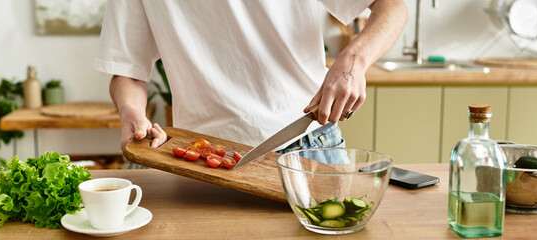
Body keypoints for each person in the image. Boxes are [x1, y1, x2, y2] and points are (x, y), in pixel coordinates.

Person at [95, 0, 408, 155]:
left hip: (307, 145)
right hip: (202, 159)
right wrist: (131, 111)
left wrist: (353, 60)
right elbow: (127, 72)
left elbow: (391, 6)